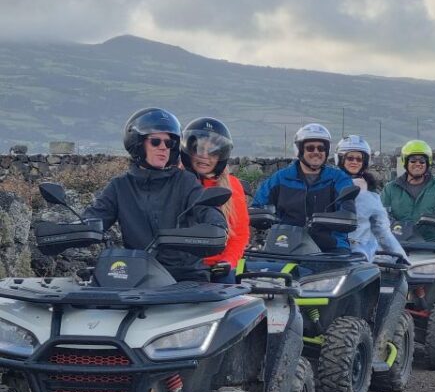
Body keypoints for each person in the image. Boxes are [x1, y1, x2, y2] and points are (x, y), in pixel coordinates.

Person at [83, 107, 227, 282]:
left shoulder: (185, 182)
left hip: (185, 277)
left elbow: (205, 207)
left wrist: (215, 225)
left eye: (169, 143)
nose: (163, 148)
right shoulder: (120, 186)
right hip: (137, 275)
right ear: (137, 143)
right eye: (156, 142)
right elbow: (95, 217)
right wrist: (74, 230)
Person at [252, 123, 355, 252]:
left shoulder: (338, 179)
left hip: (329, 248)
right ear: (300, 150)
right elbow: (257, 206)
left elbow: (348, 212)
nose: (316, 152)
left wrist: (323, 219)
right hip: (284, 246)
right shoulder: (280, 179)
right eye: (310, 148)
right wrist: (260, 216)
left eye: (321, 148)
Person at [180, 117, 249, 283]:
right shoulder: (176, 181)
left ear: (221, 156)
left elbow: (239, 234)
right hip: (180, 265)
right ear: (188, 150)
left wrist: (227, 262)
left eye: (213, 151)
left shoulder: (232, 185)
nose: (205, 156)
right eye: (199, 148)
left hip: (217, 267)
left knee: (228, 295)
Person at [335, 135, 408, 262]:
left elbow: (381, 227)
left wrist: (400, 256)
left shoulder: (370, 191)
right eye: (350, 158)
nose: (355, 162)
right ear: (341, 159)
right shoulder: (329, 183)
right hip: (332, 247)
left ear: (365, 162)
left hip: (360, 251)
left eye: (359, 159)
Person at [381, 140, 435, 243]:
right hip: (398, 245)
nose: (418, 164)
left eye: (422, 161)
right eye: (413, 160)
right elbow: (380, 215)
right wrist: (397, 226)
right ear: (406, 162)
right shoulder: (390, 188)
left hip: (432, 246)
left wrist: (433, 219)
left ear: (427, 163)